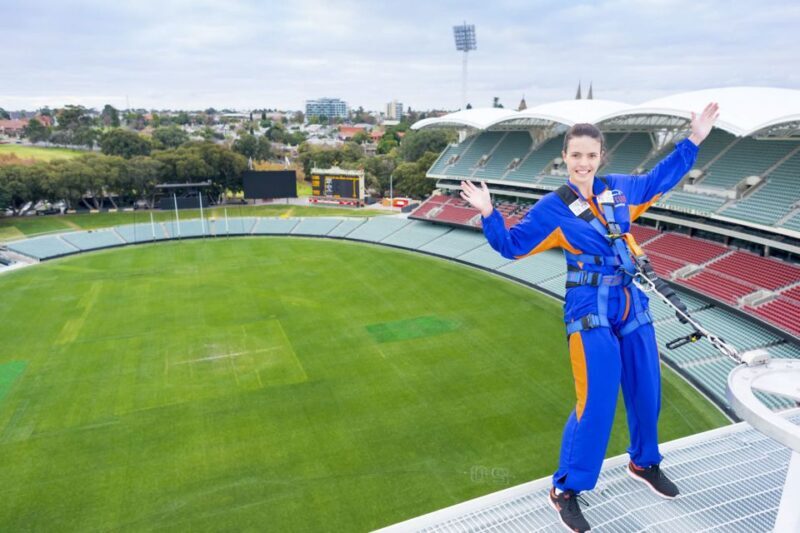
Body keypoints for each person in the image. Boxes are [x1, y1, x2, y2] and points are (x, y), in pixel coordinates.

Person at [460, 103, 719, 533]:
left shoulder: (619, 191)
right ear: (565, 157)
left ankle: (644, 463)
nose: (583, 163)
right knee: (596, 399)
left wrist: (693, 140)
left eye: (591, 155)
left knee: (646, 389)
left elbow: (660, 179)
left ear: (601, 158)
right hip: (588, 306)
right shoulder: (552, 209)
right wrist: (490, 213)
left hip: (630, 301)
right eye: (576, 155)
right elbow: (512, 246)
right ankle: (566, 490)